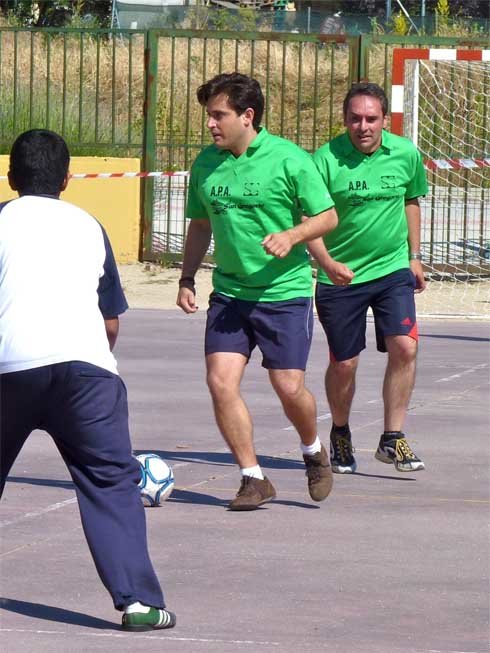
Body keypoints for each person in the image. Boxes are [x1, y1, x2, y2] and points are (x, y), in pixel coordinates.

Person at [0, 129, 176, 631]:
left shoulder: (2, 218)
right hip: (88, 372)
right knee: (108, 483)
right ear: (68, 179)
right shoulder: (89, 226)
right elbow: (111, 321)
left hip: (10, 368)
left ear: (11, 177)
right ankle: (138, 602)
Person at [176, 72, 338, 511]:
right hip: (230, 293)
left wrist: (292, 235)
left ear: (247, 116)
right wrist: (187, 278)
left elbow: (327, 217)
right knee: (219, 381)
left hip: (283, 293)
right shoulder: (206, 164)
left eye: (218, 115)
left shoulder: (289, 159)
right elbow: (201, 225)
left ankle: (312, 450)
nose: (210, 124)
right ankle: (252, 477)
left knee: (288, 387)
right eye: (209, 115)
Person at [309, 82, 428, 475]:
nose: (363, 127)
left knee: (405, 347)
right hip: (341, 276)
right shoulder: (325, 161)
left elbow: (410, 200)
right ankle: (340, 432)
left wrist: (413, 256)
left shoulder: (405, 153)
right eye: (355, 119)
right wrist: (326, 263)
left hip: (392, 268)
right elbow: (308, 221)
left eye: (371, 119)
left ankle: (392, 438)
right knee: (345, 364)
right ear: (345, 121)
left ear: (384, 121)